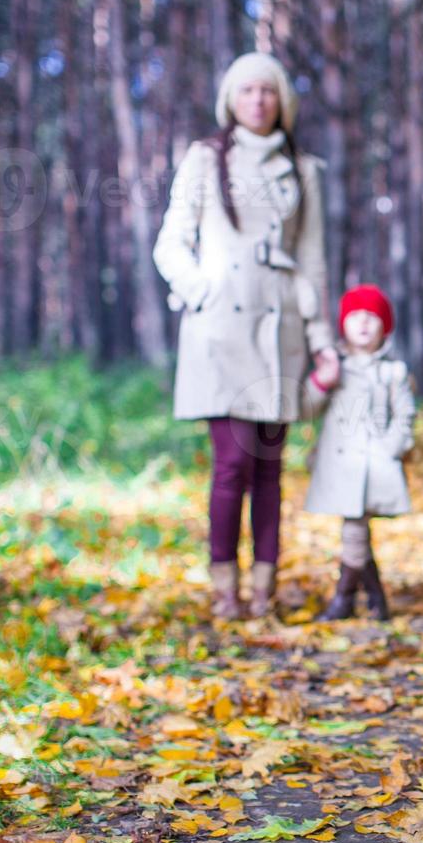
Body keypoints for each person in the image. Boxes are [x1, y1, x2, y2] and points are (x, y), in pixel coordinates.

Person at [152, 52, 336, 620]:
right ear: (230, 98)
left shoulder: (303, 169)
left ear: (283, 101)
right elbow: (170, 242)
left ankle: (264, 588)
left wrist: (322, 340)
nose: (258, 100)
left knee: (269, 469)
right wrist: (201, 288)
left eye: (268, 91)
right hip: (220, 329)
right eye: (247, 90)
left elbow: (313, 260)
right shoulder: (205, 159)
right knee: (232, 463)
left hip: (278, 329)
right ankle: (223, 586)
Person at [301, 284, 417, 622]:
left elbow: (405, 415)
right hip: (340, 464)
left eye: (372, 317)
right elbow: (306, 406)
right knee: (356, 530)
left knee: (354, 529)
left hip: (375, 463)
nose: (364, 323)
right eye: (355, 316)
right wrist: (323, 378)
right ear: (343, 324)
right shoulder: (335, 366)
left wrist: (392, 448)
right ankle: (376, 599)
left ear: (385, 326)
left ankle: (344, 599)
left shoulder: (392, 372)